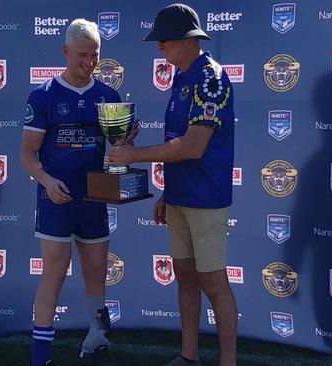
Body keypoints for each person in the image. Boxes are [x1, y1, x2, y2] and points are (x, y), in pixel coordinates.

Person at [109, 4, 237, 366]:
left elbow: (194, 145)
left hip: (206, 199)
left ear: (186, 39)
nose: (159, 48)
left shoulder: (210, 77)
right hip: (181, 196)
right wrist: (169, 192)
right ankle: (189, 357)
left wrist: (134, 155)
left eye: (163, 41)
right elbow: (180, 143)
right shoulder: (182, 78)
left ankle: (229, 362)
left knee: (213, 281)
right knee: (184, 277)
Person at [20, 18, 137, 366]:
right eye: (82, 55)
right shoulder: (43, 95)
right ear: (66, 52)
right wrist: (45, 179)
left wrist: (127, 141)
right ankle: (41, 354)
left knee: (97, 271)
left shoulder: (108, 95)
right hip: (56, 199)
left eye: (95, 55)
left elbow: (117, 149)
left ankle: (97, 342)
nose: (89, 62)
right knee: (54, 273)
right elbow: (27, 153)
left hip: (94, 199)